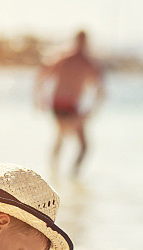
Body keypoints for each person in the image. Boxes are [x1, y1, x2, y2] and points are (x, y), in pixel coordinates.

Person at [34, 30, 105, 177]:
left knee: (60, 137)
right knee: (84, 146)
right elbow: (100, 91)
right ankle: (73, 176)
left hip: (57, 104)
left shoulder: (62, 58)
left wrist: (38, 99)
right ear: (86, 42)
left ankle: (53, 175)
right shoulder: (88, 63)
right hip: (70, 107)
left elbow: (41, 75)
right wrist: (92, 111)